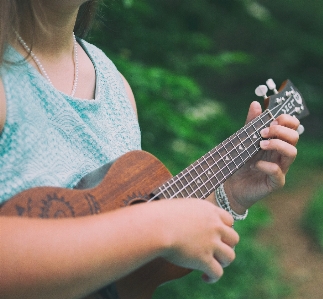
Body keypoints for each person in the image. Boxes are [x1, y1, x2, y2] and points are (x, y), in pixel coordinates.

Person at [0, 1, 300, 298]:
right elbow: (144, 230)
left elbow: (121, 266)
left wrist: (228, 193)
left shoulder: (116, 88)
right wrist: (157, 226)